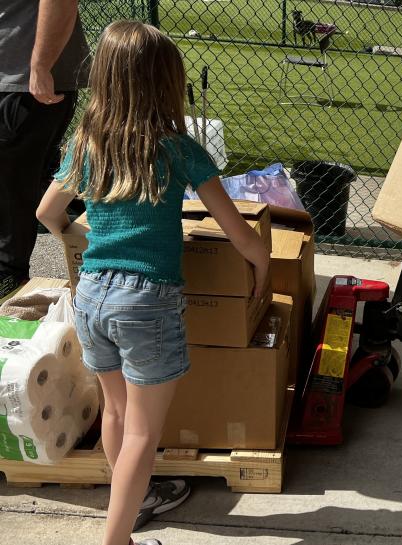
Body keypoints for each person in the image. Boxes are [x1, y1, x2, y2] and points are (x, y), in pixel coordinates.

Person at [36, 21, 270, 545]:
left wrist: (82, 233)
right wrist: (262, 264)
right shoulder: (179, 150)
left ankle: (131, 512)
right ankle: (115, 540)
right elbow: (240, 234)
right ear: (166, 83)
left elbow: (47, 212)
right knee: (144, 431)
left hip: (92, 295)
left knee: (117, 415)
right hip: (147, 300)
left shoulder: (87, 144)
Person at [0, 0, 89, 298]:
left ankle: (9, 288)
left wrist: (40, 65)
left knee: (12, 191)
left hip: (24, 84)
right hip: (12, 78)